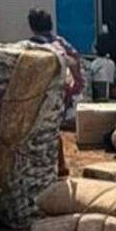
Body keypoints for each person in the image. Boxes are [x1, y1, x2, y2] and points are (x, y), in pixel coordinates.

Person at [27, 9, 84, 177]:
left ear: (32, 26)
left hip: (40, 93)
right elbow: (74, 60)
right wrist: (76, 84)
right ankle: (60, 164)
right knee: (54, 127)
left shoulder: (33, 45)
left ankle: (48, 164)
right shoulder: (61, 43)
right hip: (60, 92)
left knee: (38, 129)